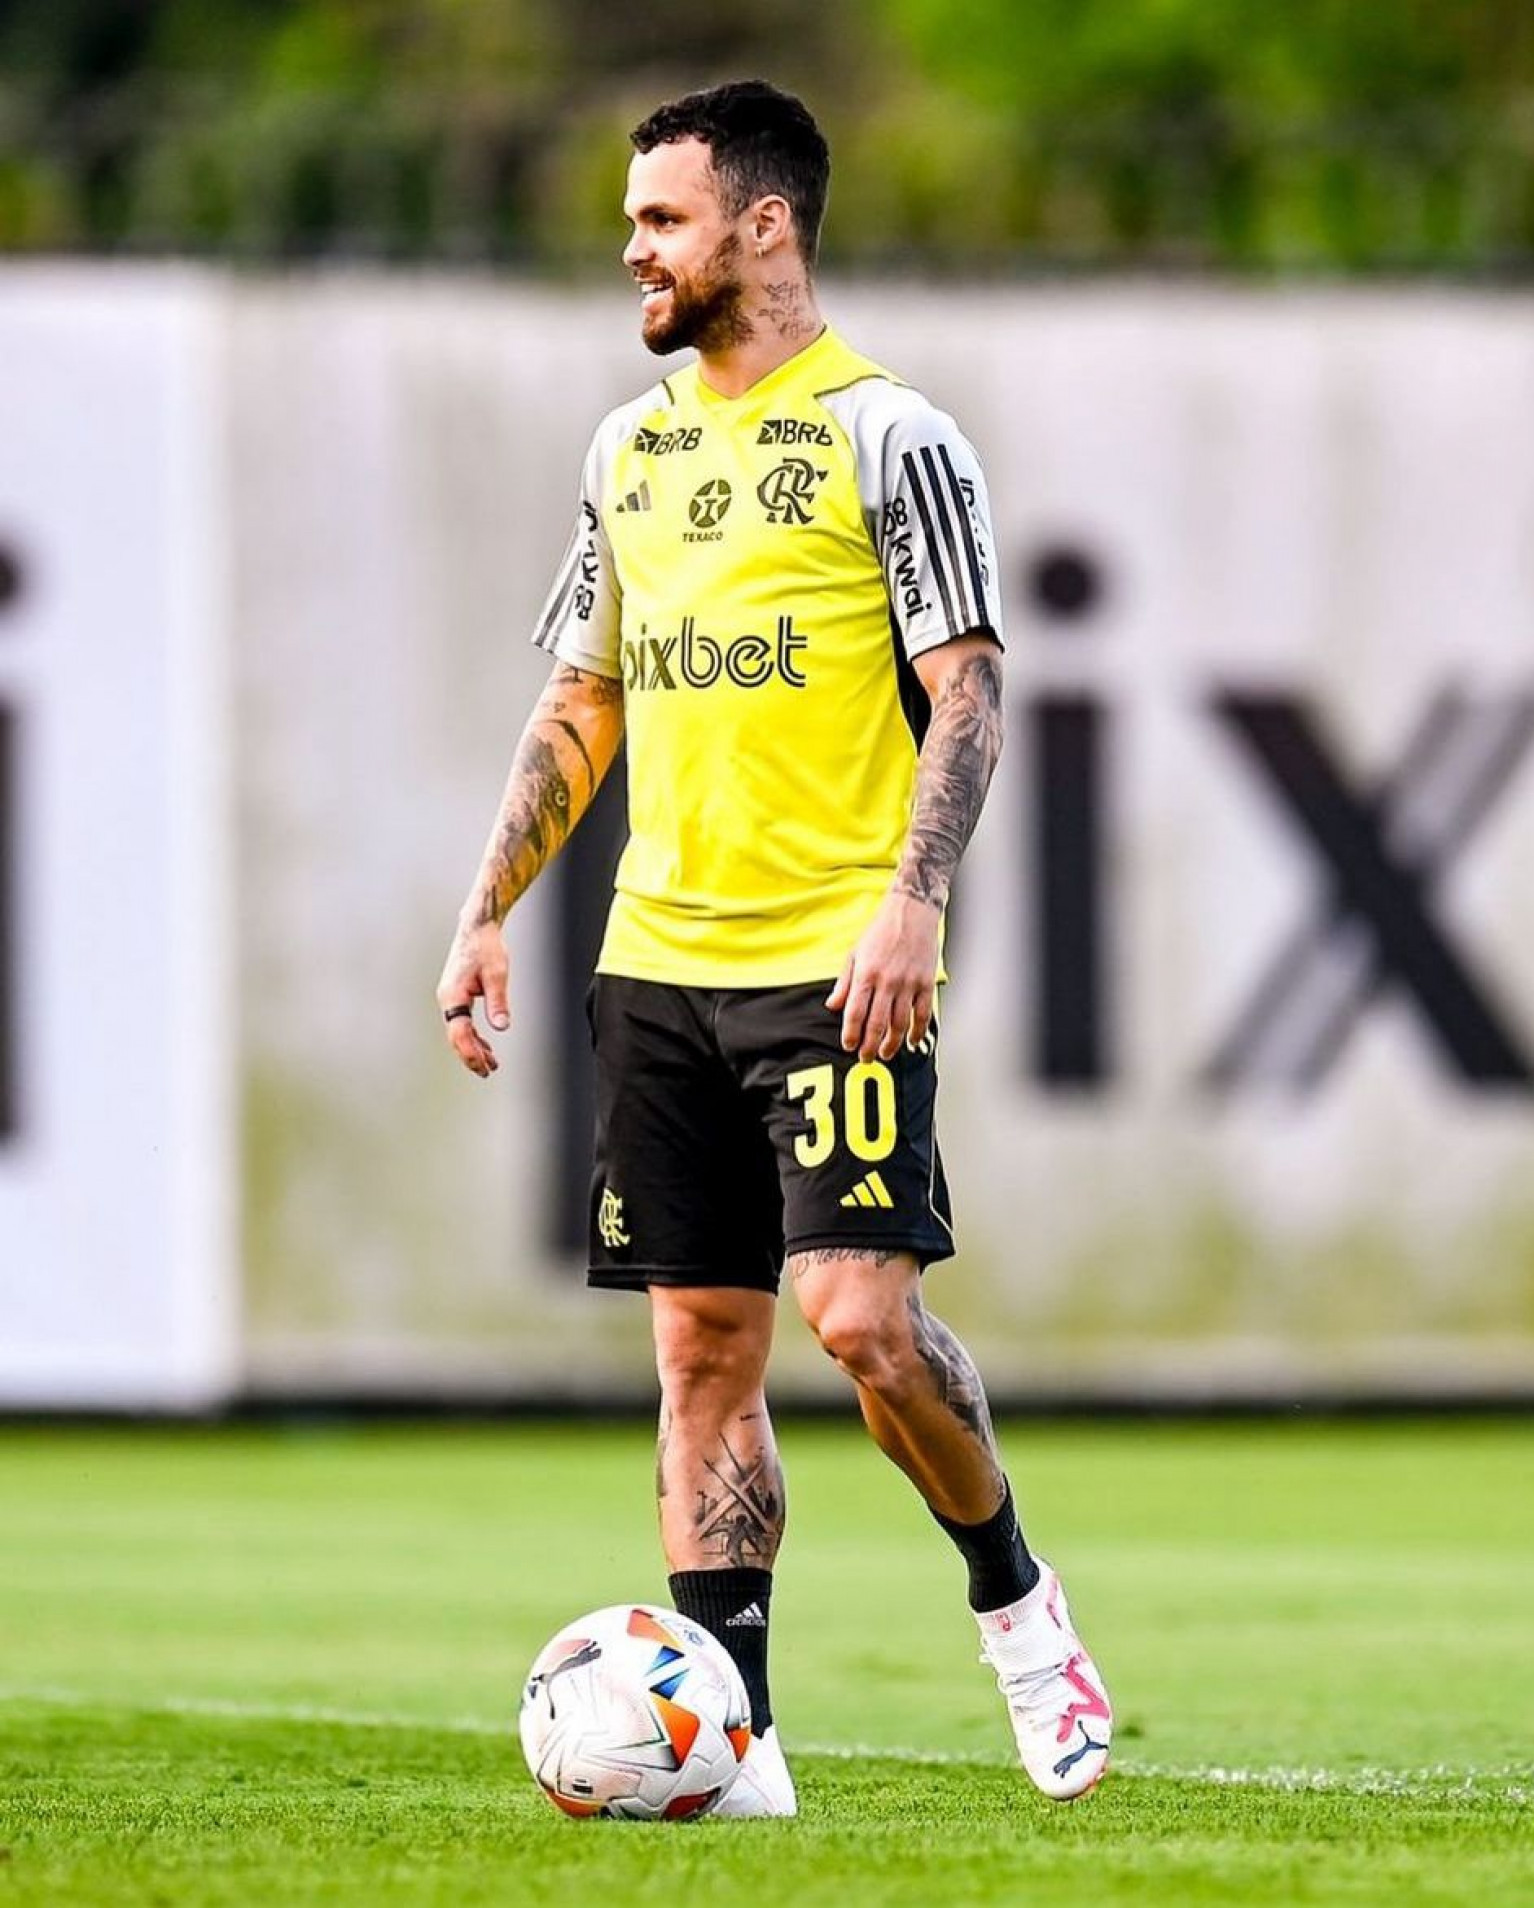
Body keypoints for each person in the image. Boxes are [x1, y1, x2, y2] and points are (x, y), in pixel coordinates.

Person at [435, 78, 1111, 1814]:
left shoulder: (891, 435)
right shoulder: (630, 448)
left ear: (764, 226)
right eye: (634, 219)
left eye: (662, 218)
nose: (633, 248)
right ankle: (729, 1741)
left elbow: (969, 690)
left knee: (864, 1324)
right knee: (702, 1355)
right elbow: (584, 698)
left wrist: (918, 895)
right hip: (659, 962)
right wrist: (488, 904)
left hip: (840, 962)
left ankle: (1021, 1611)